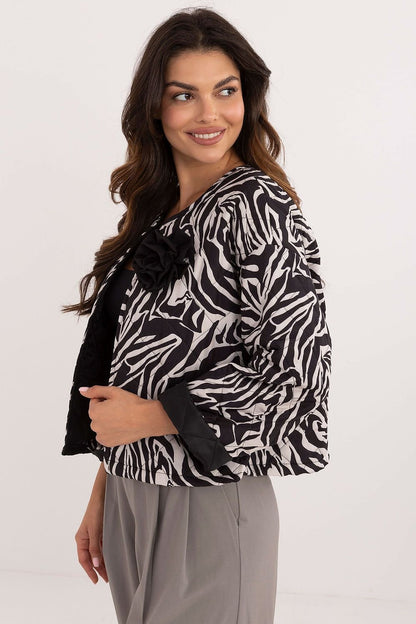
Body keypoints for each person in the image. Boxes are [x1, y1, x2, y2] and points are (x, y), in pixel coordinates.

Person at [61, 7, 332, 624]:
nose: (210, 114)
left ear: (248, 98)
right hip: (133, 491)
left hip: (209, 497)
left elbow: (299, 373)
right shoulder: (159, 212)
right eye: (184, 95)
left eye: (225, 91)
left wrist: (150, 417)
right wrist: (106, 487)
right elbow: (135, 362)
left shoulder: (257, 206)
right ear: (154, 108)